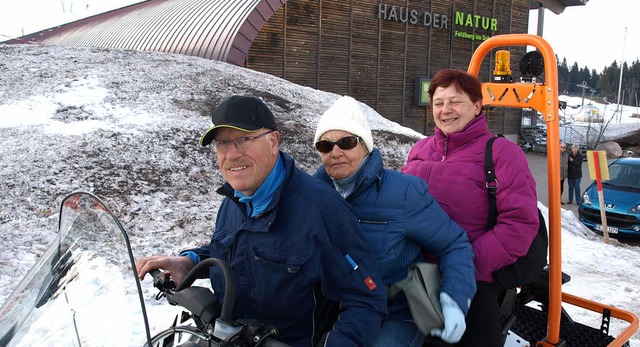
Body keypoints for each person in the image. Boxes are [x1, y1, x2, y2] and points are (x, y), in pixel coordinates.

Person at [136, 95, 388, 347]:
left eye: (244, 139)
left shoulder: (323, 211)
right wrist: (190, 262)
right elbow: (243, 248)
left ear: (273, 141)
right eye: (222, 142)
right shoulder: (234, 199)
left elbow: (366, 300)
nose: (232, 154)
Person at [312, 96, 476, 347]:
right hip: (340, 307)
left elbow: (454, 244)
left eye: (346, 142)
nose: (335, 152)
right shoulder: (314, 195)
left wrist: (454, 299)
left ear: (365, 146)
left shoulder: (403, 193)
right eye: (325, 145)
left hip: (396, 312)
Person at [401, 69, 539, 347]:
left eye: (456, 101)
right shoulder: (420, 150)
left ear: (477, 106)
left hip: (474, 281)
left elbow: (519, 224)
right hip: (415, 279)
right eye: (439, 103)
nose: (446, 110)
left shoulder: (501, 153)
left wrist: (461, 267)